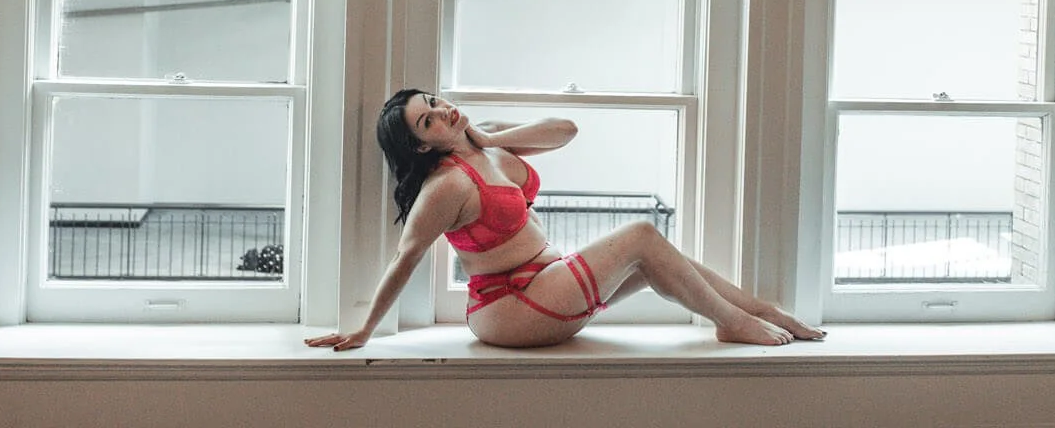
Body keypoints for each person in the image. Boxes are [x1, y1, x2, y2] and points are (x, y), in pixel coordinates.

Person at [306, 88, 826, 351]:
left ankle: (761, 311)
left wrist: (490, 139)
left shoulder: (486, 138)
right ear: (421, 143)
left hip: (545, 286)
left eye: (436, 102)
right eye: (428, 119)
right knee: (642, 235)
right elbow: (407, 256)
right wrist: (366, 330)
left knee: (656, 263)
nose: (443, 112)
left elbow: (565, 129)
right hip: (510, 306)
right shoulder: (447, 185)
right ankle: (733, 322)